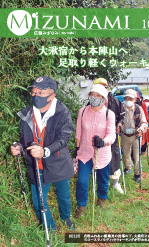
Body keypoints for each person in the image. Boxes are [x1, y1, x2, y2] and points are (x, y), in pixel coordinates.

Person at [11, 76, 75, 231]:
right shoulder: (26, 114)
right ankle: (50, 228)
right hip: (36, 164)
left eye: (40, 92)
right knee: (38, 200)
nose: (36, 96)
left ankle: (66, 217)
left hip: (58, 161)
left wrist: (45, 150)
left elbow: (64, 137)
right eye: (34, 92)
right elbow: (24, 140)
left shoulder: (62, 112)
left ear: (52, 95)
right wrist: (19, 147)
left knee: (63, 194)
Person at [75, 84, 116, 218]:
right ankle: (81, 206)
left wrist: (103, 141)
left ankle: (102, 199)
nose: (95, 97)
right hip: (85, 152)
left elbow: (112, 135)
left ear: (104, 99)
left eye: (98, 96)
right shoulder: (82, 112)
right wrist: (77, 148)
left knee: (103, 179)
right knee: (82, 181)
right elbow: (79, 133)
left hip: (102, 153)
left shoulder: (109, 114)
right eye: (93, 94)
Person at [93, 78, 125, 194]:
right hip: (98, 136)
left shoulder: (115, 102)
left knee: (115, 156)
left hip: (112, 135)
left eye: (104, 87)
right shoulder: (92, 101)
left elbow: (122, 115)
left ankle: (116, 182)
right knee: (99, 157)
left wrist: (119, 124)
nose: (102, 89)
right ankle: (101, 182)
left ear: (107, 88)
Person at [121, 89, 148, 183]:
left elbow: (144, 123)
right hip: (124, 135)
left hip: (135, 136)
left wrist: (141, 129)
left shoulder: (138, 109)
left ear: (135, 99)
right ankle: (128, 168)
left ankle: (137, 174)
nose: (128, 100)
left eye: (130, 98)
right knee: (126, 153)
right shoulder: (120, 108)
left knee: (137, 156)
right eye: (126, 98)